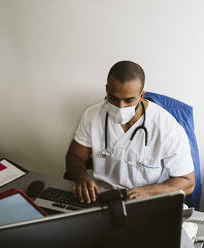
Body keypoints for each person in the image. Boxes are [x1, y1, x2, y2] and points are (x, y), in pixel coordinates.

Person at [65, 61, 195, 204]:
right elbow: (74, 157)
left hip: (148, 202)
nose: (120, 106)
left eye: (129, 100)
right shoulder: (92, 116)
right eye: (113, 98)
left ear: (141, 95)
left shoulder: (167, 127)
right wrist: (82, 177)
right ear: (107, 89)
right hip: (102, 199)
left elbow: (188, 182)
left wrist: (150, 191)